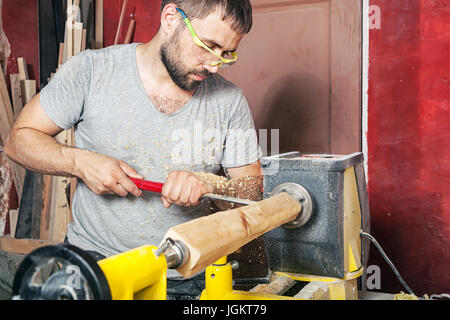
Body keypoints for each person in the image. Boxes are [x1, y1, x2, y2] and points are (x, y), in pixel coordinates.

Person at [4, 0, 262, 299]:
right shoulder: (91, 71)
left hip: (188, 277)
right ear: (170, 19)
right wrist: (81, 162)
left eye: (227, 53)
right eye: (208, 45)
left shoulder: (229, 100)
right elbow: (19, 139)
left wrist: (209, 184)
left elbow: (252, 193)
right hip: (97, 268)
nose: (214, 64)